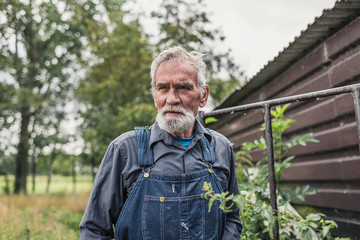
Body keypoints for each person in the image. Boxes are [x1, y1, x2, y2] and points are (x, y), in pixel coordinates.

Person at [80, 46, 242, 240]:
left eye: (183, 88)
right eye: (163, 88)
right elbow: (95, 230)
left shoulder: (220, 148)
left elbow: (232, 217)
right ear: (155, 94)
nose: (171, 99)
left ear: (203, 96)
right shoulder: (124, 150)